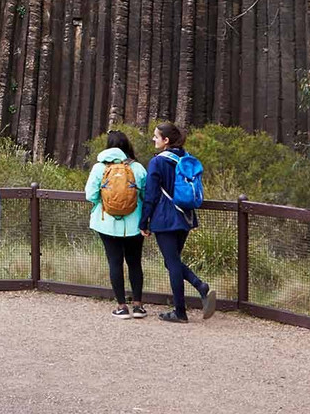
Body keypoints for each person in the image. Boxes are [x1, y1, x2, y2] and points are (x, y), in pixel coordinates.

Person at [140, 122, 216, 323]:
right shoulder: (185, 157)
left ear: (166, 140)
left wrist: (144, 221)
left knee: (172, 263)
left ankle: (180, 311)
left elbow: (151, 195)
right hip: (185, 216)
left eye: (156, 136)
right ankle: (200, 286)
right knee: (171, 261)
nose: (153, 139)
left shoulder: (157, 162)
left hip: (165, 218)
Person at [85, 130, 148, 319]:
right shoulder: (137, 168)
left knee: (115, 262)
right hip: (134, 224)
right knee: (135, 262)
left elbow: (90, 195)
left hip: (106, 223)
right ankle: (138, 305)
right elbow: (146, 195)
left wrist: (104, 202)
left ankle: (122, 306)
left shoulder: (99, 168)